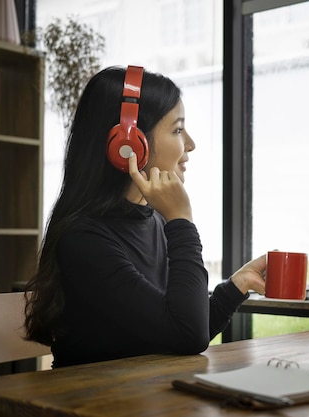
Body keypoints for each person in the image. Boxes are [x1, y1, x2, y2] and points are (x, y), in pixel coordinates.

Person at [24, 65, 266, 367]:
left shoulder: (157, 221)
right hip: (92, 405)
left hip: (147, 397)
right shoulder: (83, 239)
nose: (190, 144)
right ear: (128, 144)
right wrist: (181, 220)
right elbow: (187, 334)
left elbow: (182, 329)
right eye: (178, 130)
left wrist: (236, 286)